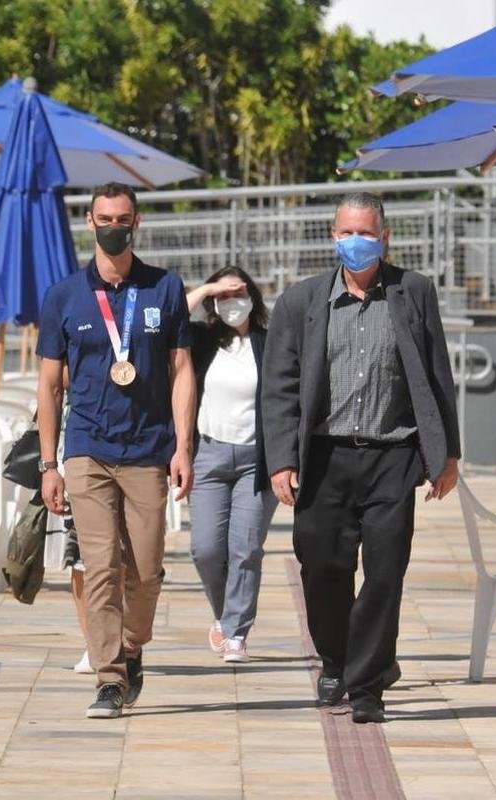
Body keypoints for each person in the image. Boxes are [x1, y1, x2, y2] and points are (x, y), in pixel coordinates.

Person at [261, 191, 460, 724]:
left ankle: (368, 682)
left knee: (385, 571)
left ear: (385, 237)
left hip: (392, 455)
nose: (357, 242)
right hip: (323, 457)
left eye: (367, 233)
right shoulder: (300, 302)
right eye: (347, 233)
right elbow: (279, 388)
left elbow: (439, 377)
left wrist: (447, 455)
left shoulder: (413, 292)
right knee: (321, 566)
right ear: (333, 237)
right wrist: (281, 458)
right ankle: (336, 657)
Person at [36, 181, 195, 719]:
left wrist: (183, 447)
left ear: (137, 223)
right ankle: (108, 679)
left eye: (122, 219)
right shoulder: (63, 296)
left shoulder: (165, 288)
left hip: (149, 449)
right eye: (104, 219)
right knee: (100, 565)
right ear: (89, 222)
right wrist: (48, 463)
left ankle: (130, 650)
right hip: (87, 449)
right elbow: (49, 385)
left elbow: (181, 372)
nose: (113, 227)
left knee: (145, 570)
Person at [184, 266, 277, 663]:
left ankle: (236, 630)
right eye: (223, 297)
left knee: (245, 548)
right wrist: (208, 288)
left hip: (257, 458)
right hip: (209, 454)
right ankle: (225, 614)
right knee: (205, 549)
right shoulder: (203, 341)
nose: (230, 303)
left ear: (253, 298)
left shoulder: (269, 343)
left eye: (237, 294)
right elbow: (172, 317)